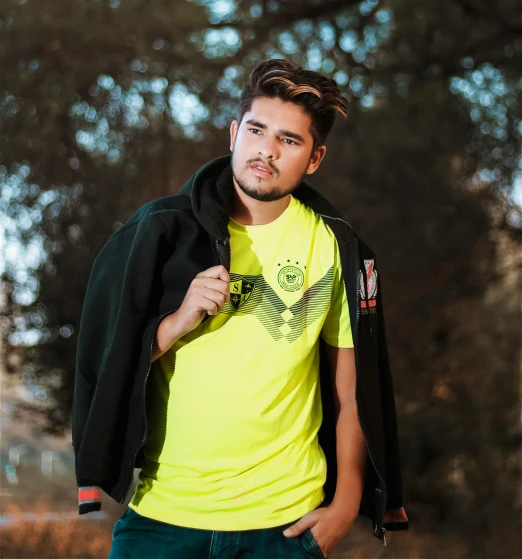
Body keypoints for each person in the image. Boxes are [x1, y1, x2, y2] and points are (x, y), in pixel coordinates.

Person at [72, 59, 408, 558]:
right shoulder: (159, 232)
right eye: (256, 130)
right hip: (162, 520)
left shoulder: (338, 249)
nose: (266, 151)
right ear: (234, 133)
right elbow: (107, 362)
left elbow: (350, 391)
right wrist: (177, 321)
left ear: (314, 158)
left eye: (289, 141)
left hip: (284, 527)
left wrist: (345, 505)